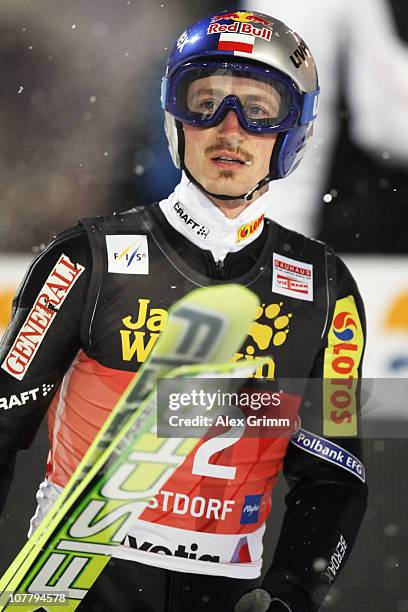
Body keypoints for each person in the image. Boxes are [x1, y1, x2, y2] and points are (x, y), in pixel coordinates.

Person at [0, 9, 367, 612]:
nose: (230, 129)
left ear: (293, 128)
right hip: (77, 591)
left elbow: (336, 470)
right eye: (206, 101)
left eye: (258, 107)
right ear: (174, 118)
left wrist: (290, 594)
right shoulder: (87, 260)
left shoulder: (327, 289)